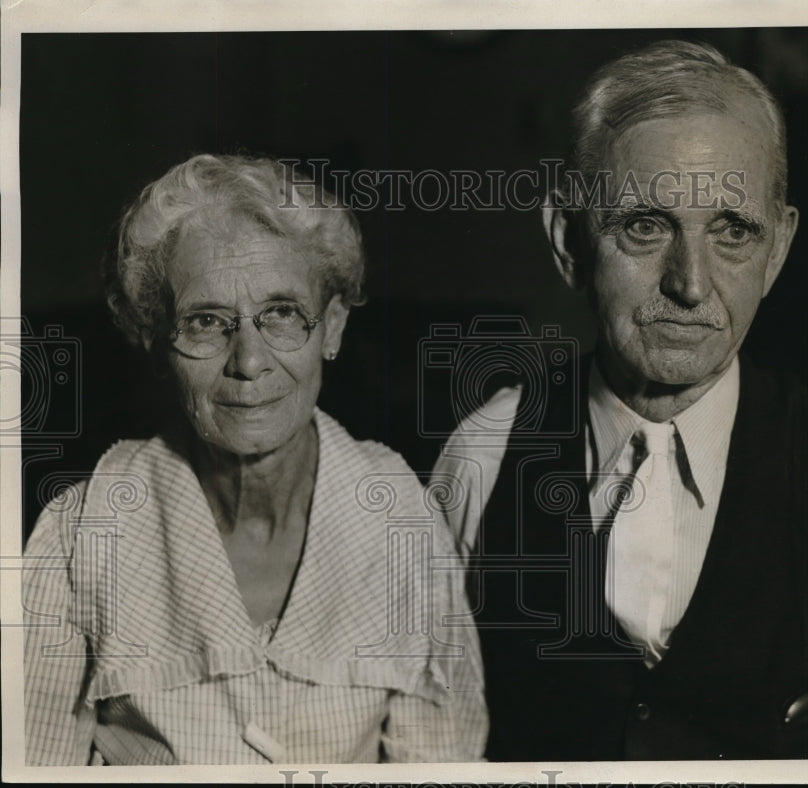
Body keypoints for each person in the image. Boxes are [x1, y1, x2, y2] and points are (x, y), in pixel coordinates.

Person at [432, 40, 808, 760]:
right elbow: (424, 746)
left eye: (732, 232)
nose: (690, 284)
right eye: (645, 226)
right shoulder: (486, 449)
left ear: (777, 251)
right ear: (569, 242)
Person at [22, 154, 487, 765]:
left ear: (334, 328)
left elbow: (442, 769)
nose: (249, 361)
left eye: (283, 314)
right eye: (206, 321)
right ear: (156, 342)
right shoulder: (80, 534)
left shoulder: (404, 522)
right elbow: (32, 768)